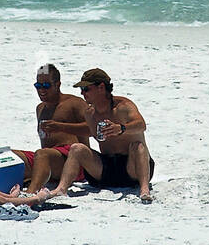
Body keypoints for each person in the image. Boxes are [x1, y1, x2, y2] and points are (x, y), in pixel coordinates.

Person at [45, 69, 155, 203]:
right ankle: (61, 189)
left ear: (101, 87)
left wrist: (120, 128)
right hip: (107, 167)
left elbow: (141, 125)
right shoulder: (90, 113)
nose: (82, 93)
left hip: (132, 168)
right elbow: (90, 130)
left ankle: (144, 190)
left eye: (86, 89)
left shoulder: (123, 106)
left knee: (138, 146)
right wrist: (60, 126)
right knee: (76, 148)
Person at [11, 63, 91, 194]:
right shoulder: (40, 108)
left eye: (46, 86)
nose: (41, 90)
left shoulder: (74, 103)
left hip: (74, 161)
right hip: (47, 159)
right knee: (11, 156)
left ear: (58, 85)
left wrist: (60, 127)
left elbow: (92, 129)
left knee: (42, 154)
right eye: (38, 86)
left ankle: (30, 195)